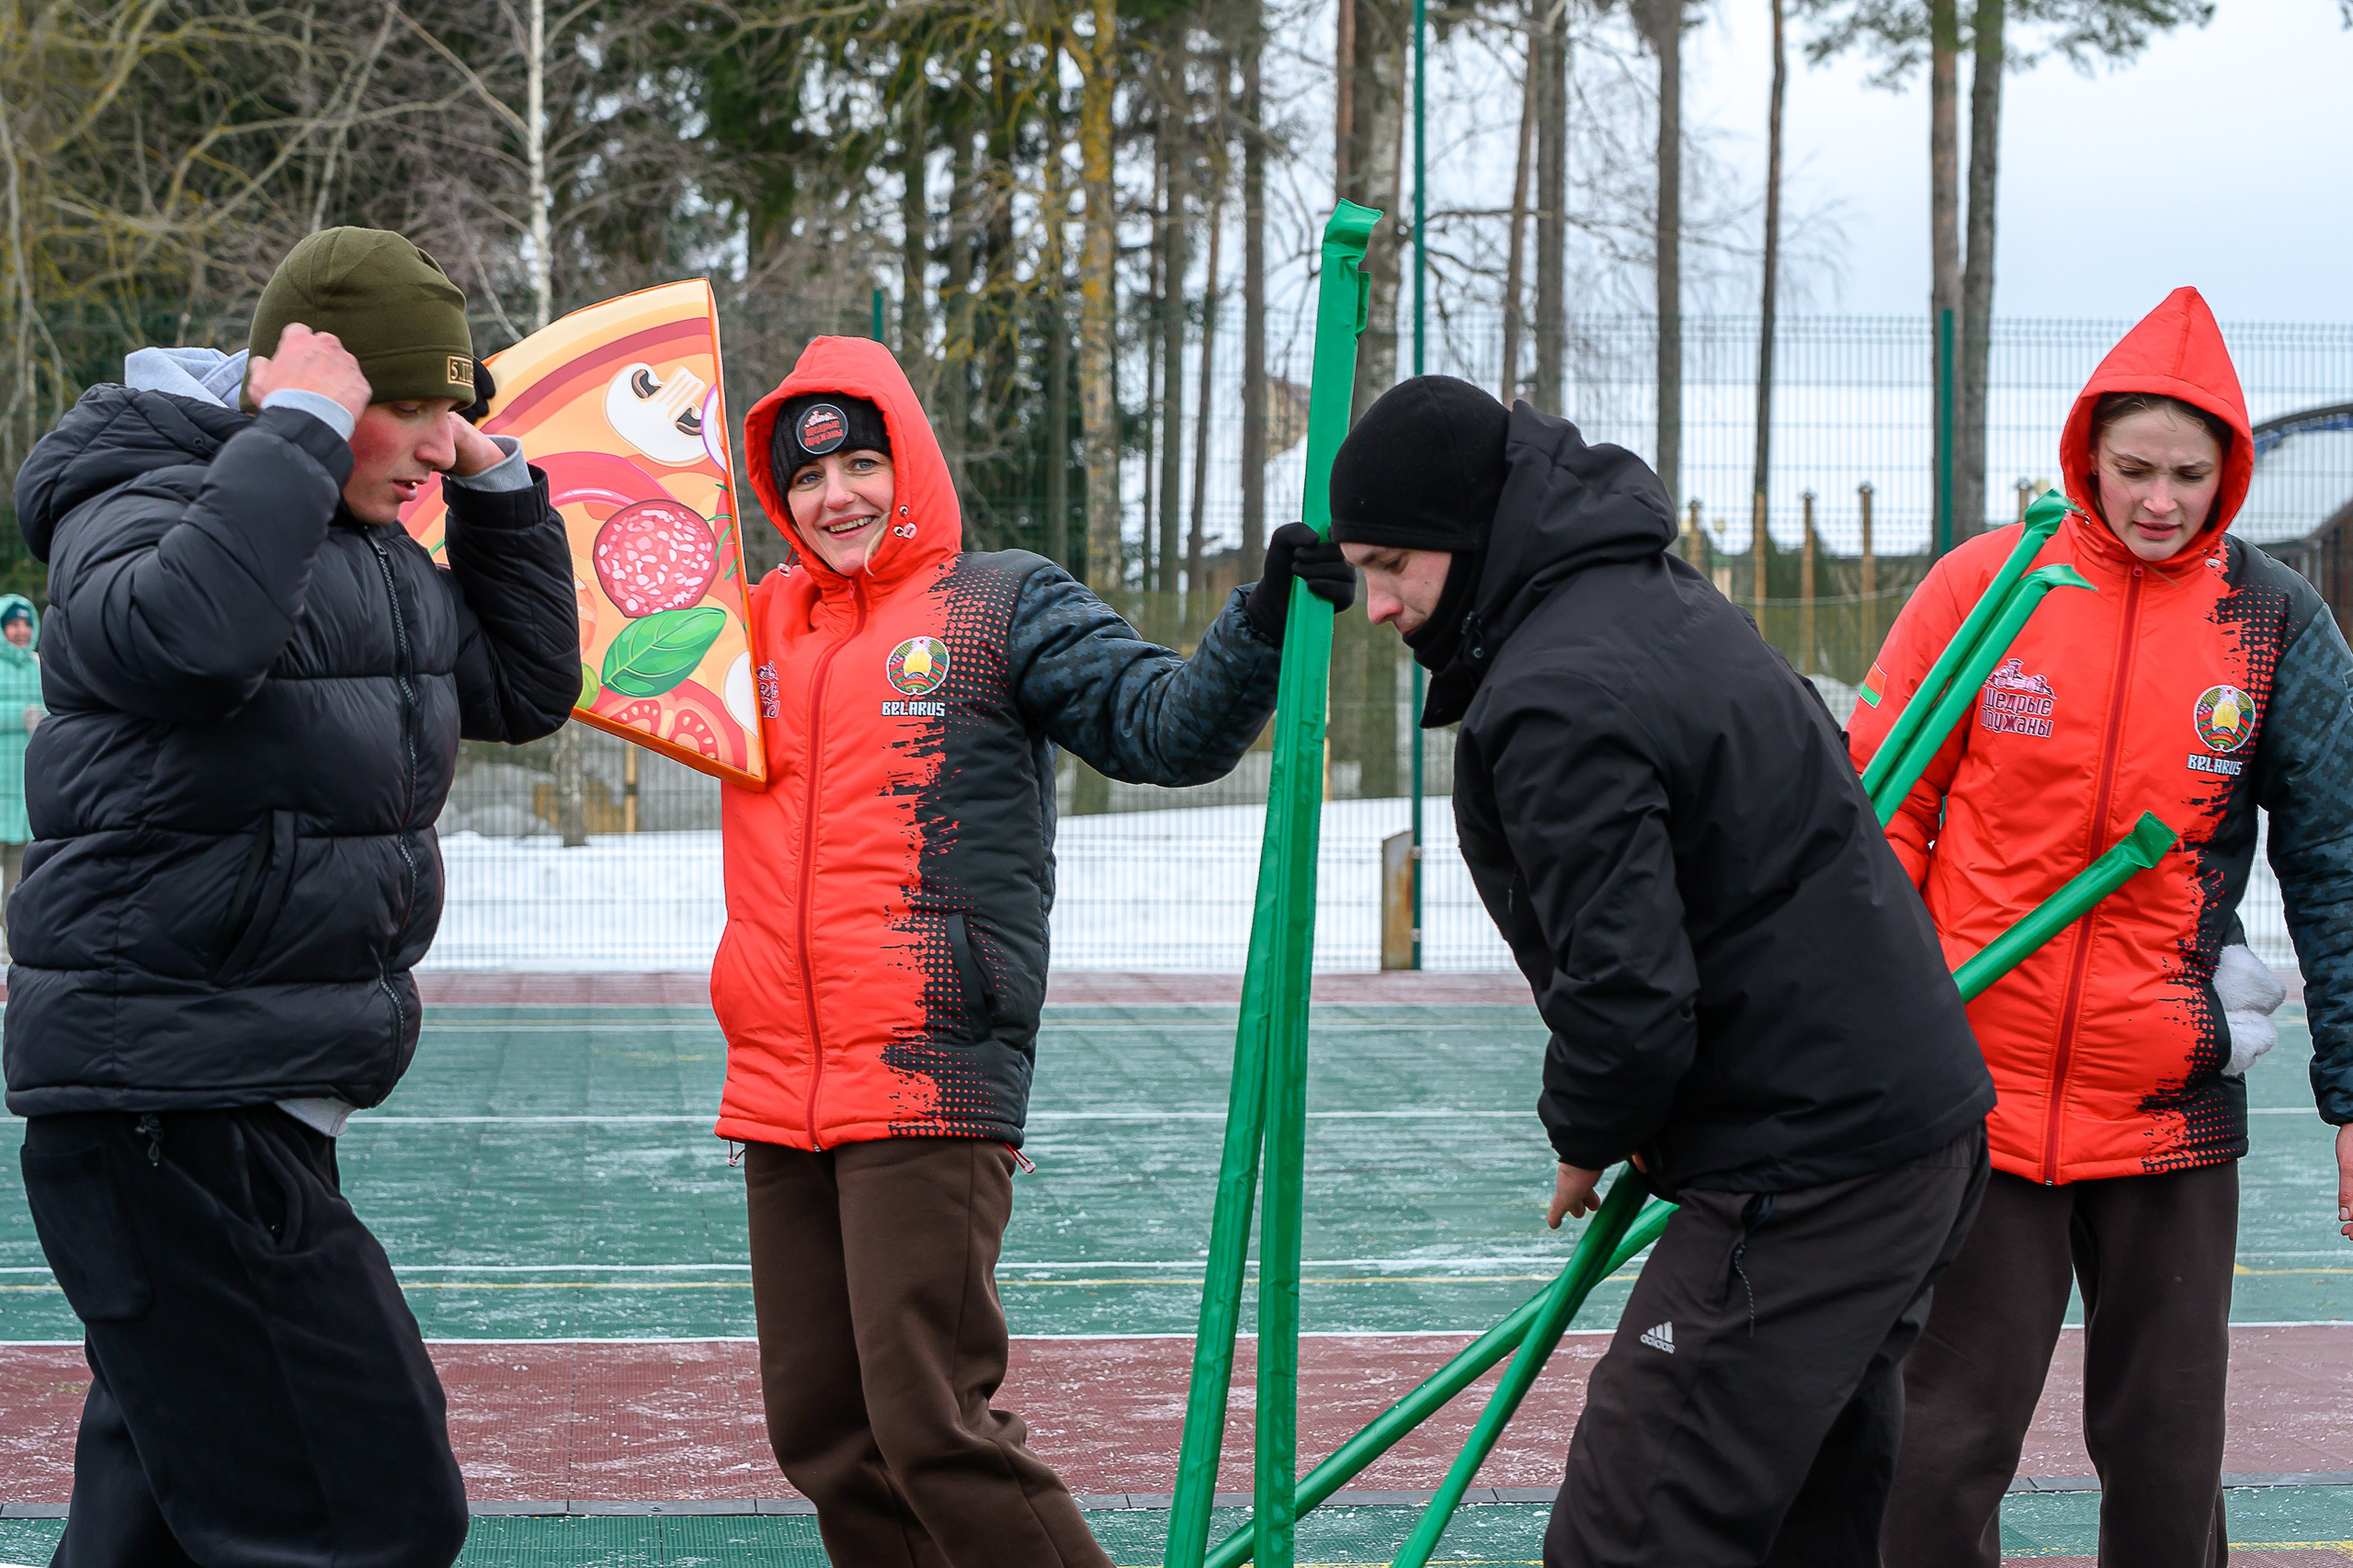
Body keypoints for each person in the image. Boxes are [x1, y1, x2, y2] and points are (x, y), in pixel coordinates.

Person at [1329, 374, 1996, 1568]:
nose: (1376, 606)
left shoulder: (1553, 691)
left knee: (1631, 1527)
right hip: (1907, 1130)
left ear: (1470, 535)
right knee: (1805, 1522)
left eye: (1392, 565)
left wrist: (1588, 1129)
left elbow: (1629, 985)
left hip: (1807, 1161)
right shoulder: (1645, 595)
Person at [710, 335, 1351, 1567]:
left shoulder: (997, 604)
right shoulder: (748, 629)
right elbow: (574, 641)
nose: (835, 495)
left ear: (910, 463)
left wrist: (1266, 616)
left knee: (930, 1422)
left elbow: (1164, 727)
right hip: (781, 1084)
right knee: (827, 1434)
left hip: (926, 1070)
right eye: (806, 477)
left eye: (860, 463)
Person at [6, 228, 579, 1566]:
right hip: (168, 1105)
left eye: (452, 411)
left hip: (239, 1099)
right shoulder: (144, 491)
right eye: (412, 406)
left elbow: (522, 686)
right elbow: (183, 639)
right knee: (369, 1510)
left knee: (154, 1531)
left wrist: (500, 491)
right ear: (309, 386)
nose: (437, 444)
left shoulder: (363, 543)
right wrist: (302, 432)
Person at [1860, 287, 2353, 1568]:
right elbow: (1879, 815)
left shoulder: (2272, 624)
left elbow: (2337, 861)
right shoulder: (1989, 585)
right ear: (2086, 452)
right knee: (1940, 1445)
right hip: (1977, 1094)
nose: (2160, 500)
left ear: (2231, 469)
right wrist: (1881, 1028)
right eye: (2134, 468)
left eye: (2190, 475)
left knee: (2167, 1454)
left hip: (2167, 1102)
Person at [0, 594, 41, 955]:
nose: (21, 631)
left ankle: (14, 954)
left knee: (18, 885)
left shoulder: (39, 666)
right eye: (13, 624)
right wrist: (19, 716)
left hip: (24, 793)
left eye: (27, 623)